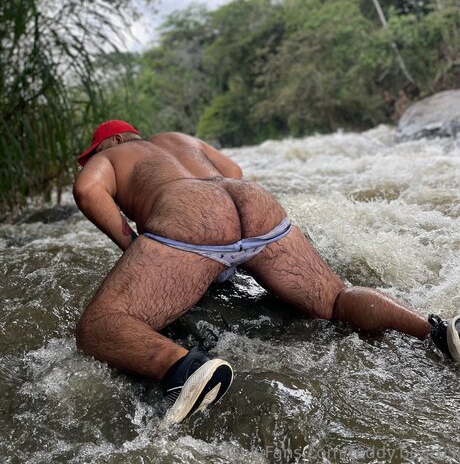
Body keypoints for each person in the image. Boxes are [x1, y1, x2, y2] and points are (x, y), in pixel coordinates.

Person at [73, 120, 460, 424]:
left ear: (114, 140)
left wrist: (133, 244)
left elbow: (87, 191)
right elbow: (233, 169)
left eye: (93, 153)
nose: (92, 159)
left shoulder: (113, 155)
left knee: (98, 326)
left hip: (191, 215)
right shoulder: (177, 139)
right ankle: (438, 332)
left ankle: (185, 368)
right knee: (336, 298)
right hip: (253, 204)